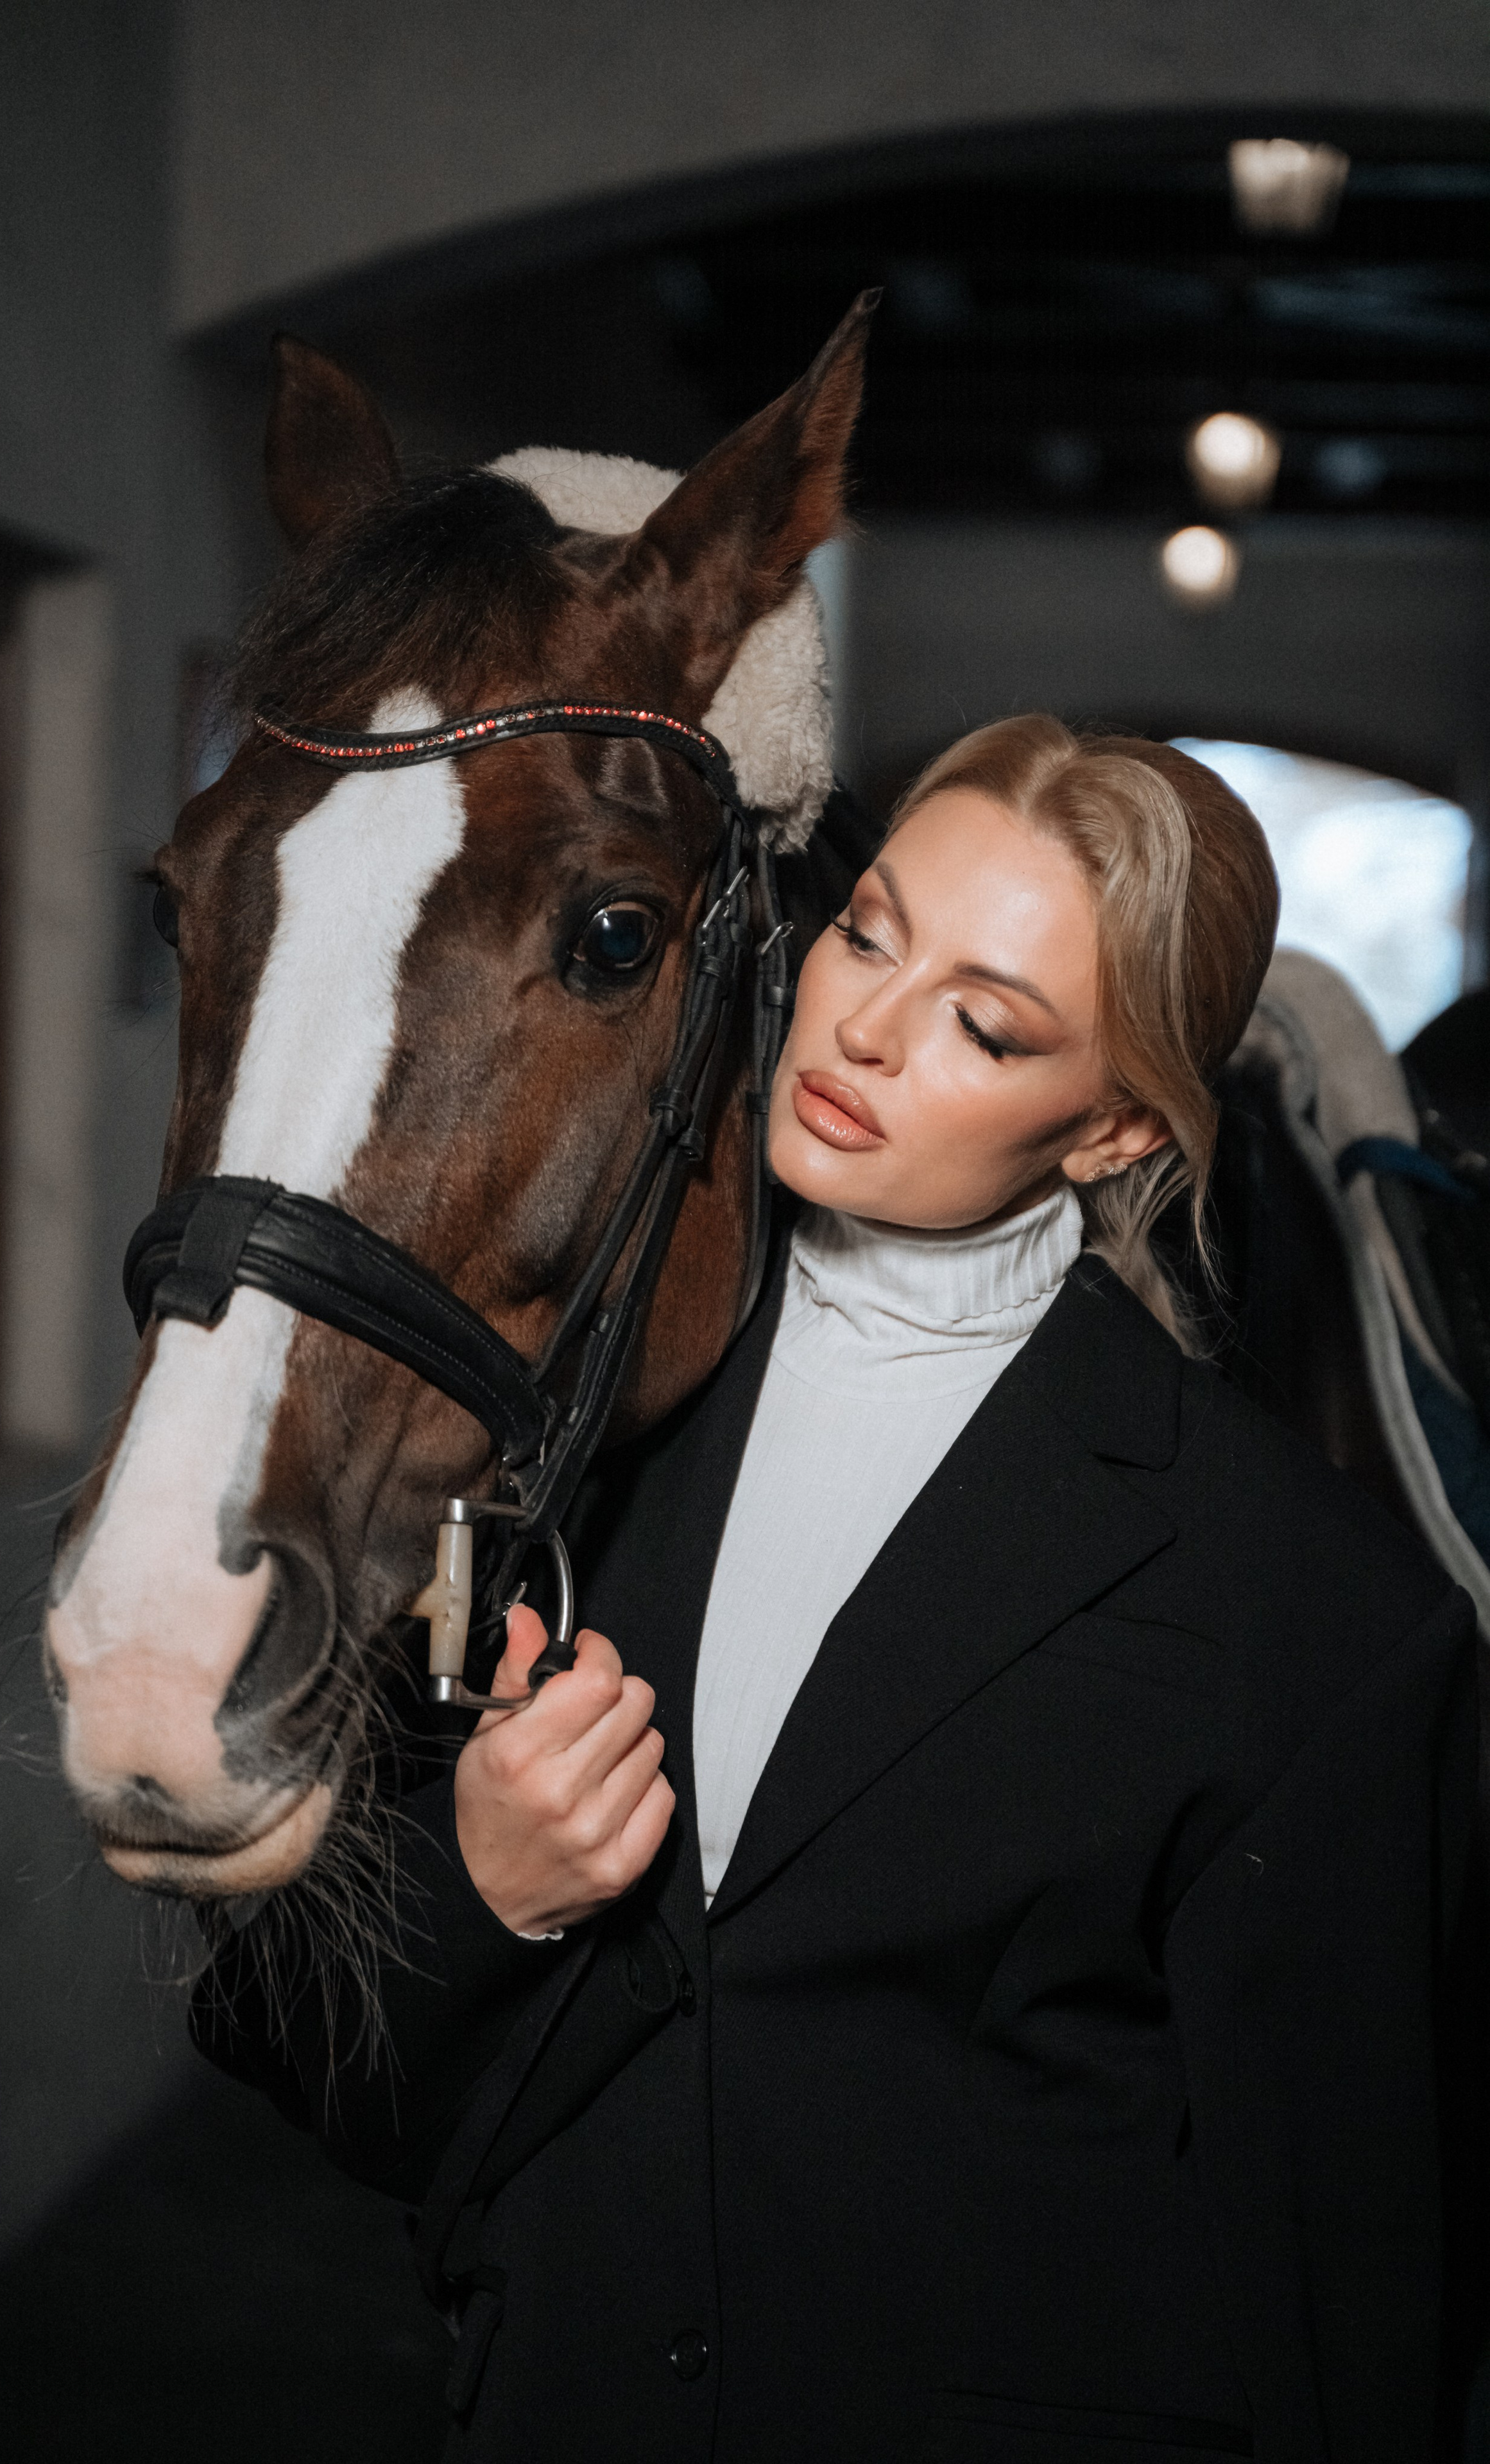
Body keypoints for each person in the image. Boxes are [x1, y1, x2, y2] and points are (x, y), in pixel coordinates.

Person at [195, 717, 1481, 2464]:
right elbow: (275, 2032)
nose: (862, 1025)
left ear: (1108, 1128)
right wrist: (479, 1885)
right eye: (869, 932)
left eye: (985, 1020)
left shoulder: (1307, 1616)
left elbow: (1349, 2314)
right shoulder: (553, 1421)